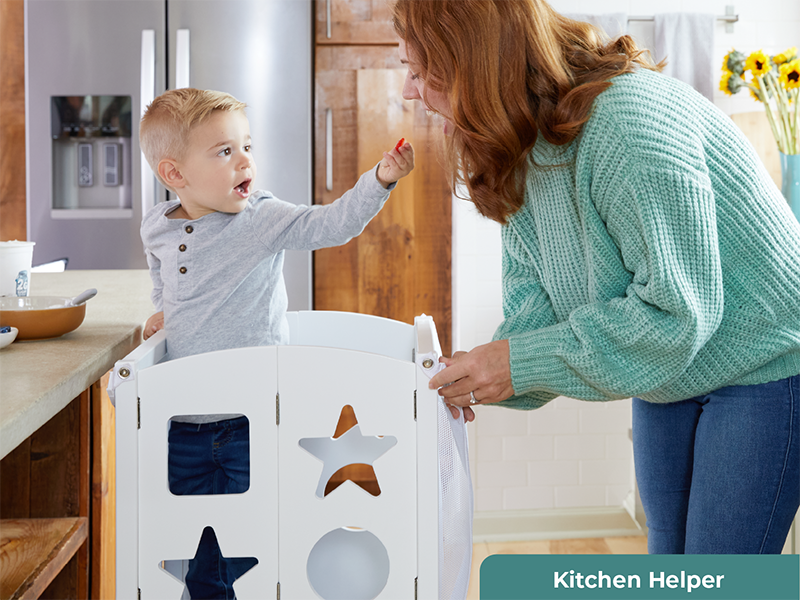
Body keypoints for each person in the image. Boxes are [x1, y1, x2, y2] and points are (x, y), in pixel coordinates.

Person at [394, 0, 800, 555]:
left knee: (718, 578)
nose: (407, 93)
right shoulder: (521, 146)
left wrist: (515, 364)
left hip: (764, 360)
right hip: (673, 372)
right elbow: (538, 305)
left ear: (477, 62)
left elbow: (675, 315)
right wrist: (480, 372)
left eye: (419, 72)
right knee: (669, 568)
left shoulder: (628, 123)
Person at [138, 87, 414, 598]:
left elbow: (332, 225)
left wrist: (380, 180)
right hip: (182, 422)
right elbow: (161, 275)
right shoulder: (156, 225)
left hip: (252, 419)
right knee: (189, 536)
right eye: (225, 151)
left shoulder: (259, 219)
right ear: (175, 176)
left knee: (252, 539)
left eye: (246, 146)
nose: (245, 160)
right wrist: (161, 309)